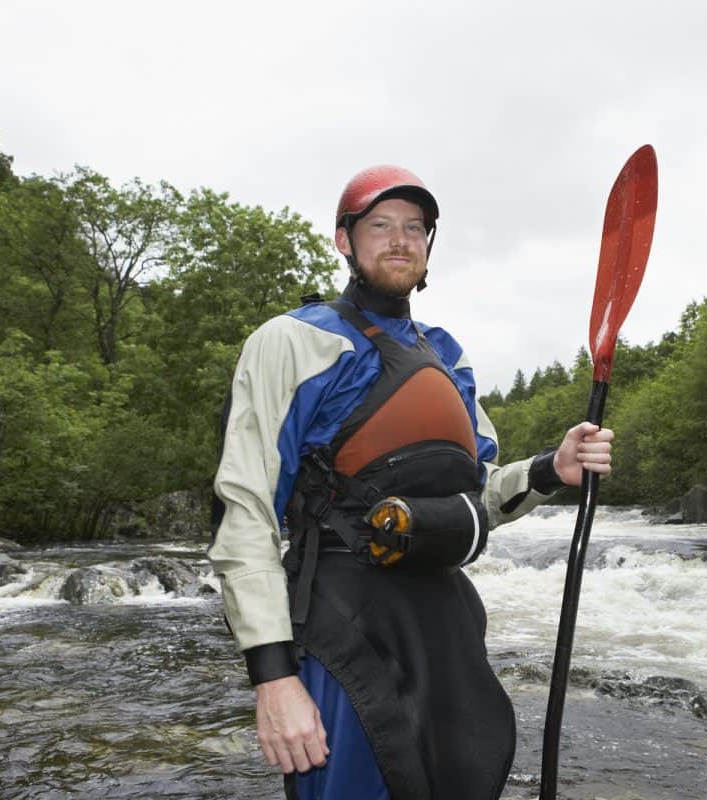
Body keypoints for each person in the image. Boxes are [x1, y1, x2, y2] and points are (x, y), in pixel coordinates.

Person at [209, 164, 614, 800]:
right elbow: (244, 509)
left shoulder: (446, 355)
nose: (401, 239)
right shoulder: (293, 341)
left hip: (446, 625)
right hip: (344, 618)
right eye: (380, 226)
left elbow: (477, 494)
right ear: (345, 241)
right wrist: (273, 677)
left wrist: (550, 470)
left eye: (415, 228)